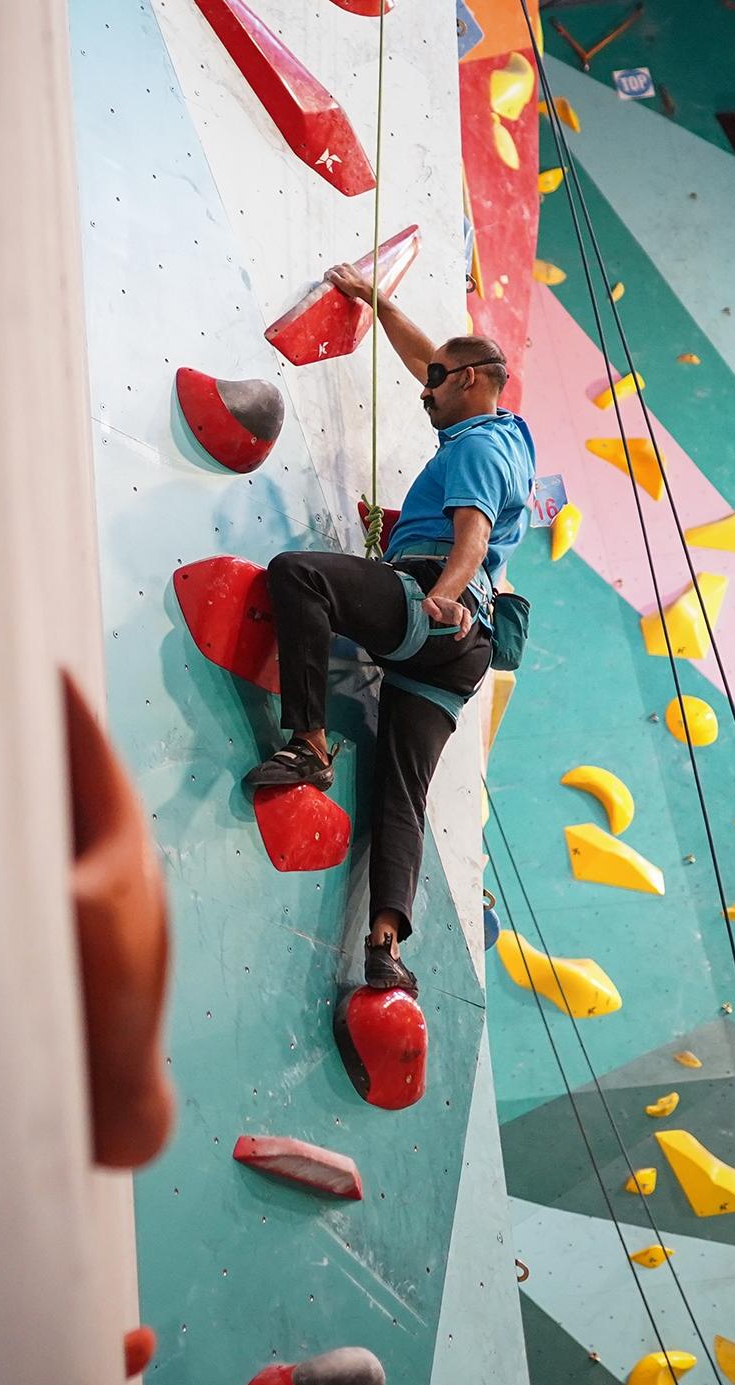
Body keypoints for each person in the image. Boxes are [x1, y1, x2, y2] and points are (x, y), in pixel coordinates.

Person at [243, 263, 535, 994]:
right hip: (460, 657)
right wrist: (377, 302)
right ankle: (384, 947)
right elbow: (433, 356)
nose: (423, 389)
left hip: (436, 609)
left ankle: (309, 745)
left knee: (300, 575)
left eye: (436, 381)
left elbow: (471, 535)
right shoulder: (501, 436)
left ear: (472, 382)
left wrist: (440, 595)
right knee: (401, 793)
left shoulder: (476, 449)